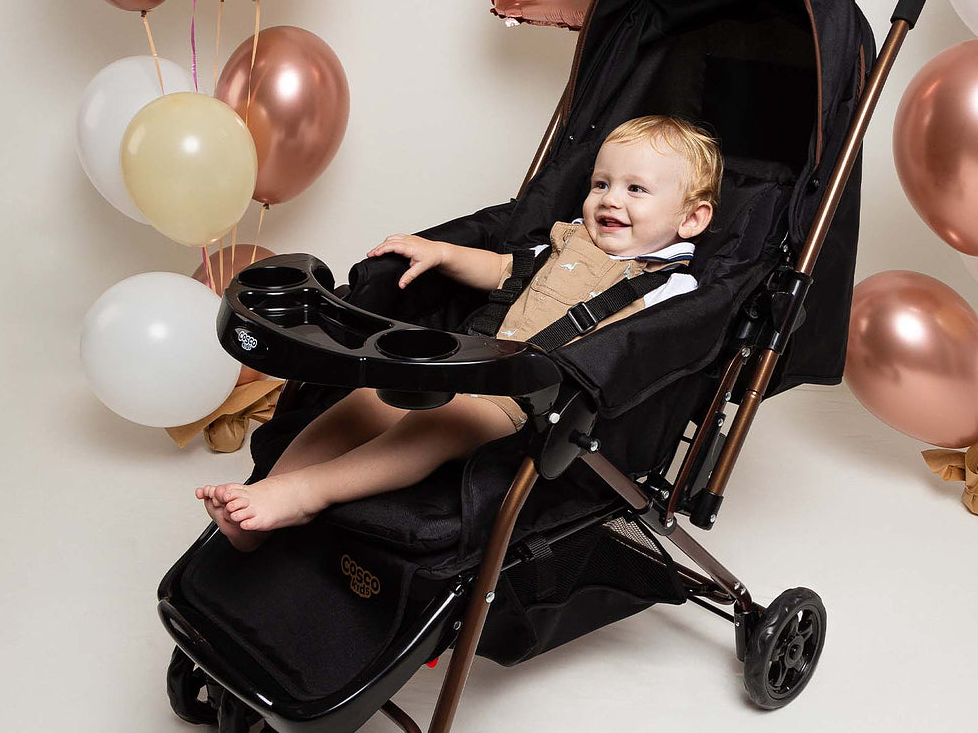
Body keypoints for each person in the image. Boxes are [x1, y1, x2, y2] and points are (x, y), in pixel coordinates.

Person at [196, 115, 722, 552]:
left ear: (692, 220)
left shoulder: (672, 289)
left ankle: (307, 494)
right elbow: (504, 270)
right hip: (470, 361)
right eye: (601, 184)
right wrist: (442, 252)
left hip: (532, 401)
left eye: (636, 190)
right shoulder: (569, 241)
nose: (610, 200)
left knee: (441, 424)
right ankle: (265, 494)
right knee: (369, 399)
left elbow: (646, 347)